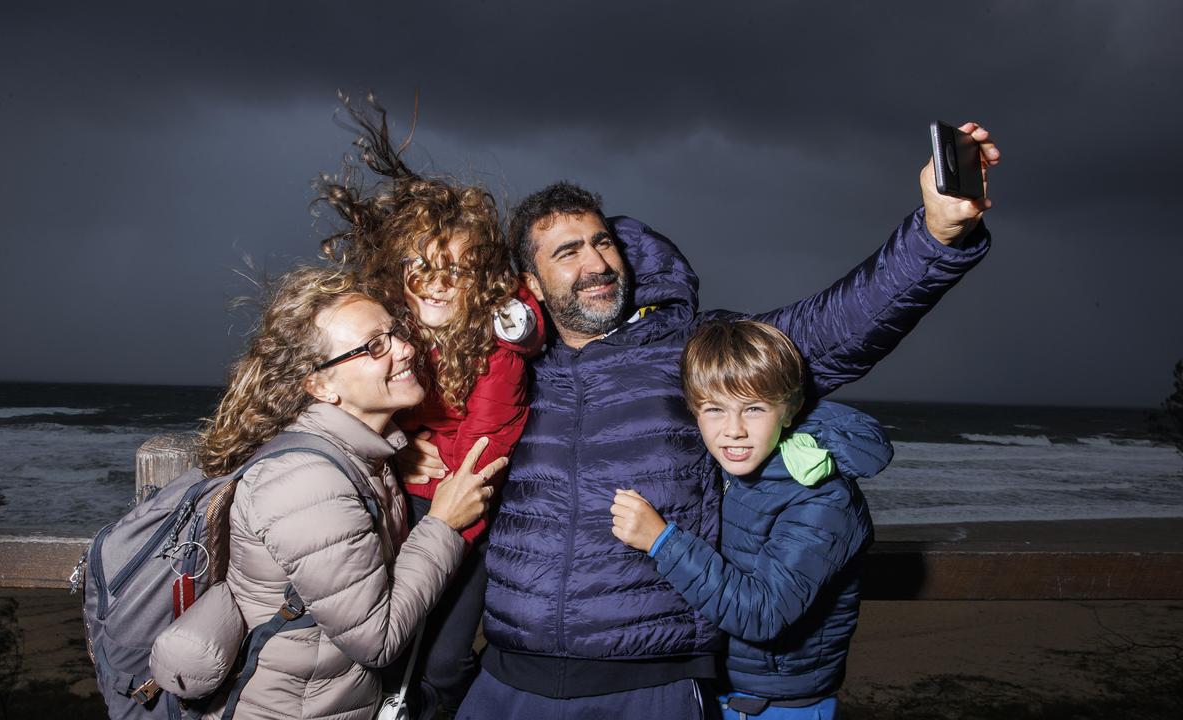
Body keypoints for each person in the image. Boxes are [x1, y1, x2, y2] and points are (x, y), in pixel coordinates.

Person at [448, 125, 1002, 718]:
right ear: (531, 283)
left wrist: (935, 236)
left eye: (601, 242)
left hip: (651, 683)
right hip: (509, 679)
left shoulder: (691, 348)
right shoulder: (504, 373)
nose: (595, 262)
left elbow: (837, 328)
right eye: (568, 251)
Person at [182, 266, 507, 719]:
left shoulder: (363, 457)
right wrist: (443, 525)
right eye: (375, 346)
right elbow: (378, 638)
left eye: (395, 332)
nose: (406, 349)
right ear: (320, 386)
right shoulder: (306, 482)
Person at [313, 99, 544, 718]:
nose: (437, 284)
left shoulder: (499, 346)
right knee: (367, 649)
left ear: (483, 279)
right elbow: (334, 405)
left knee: (441, 662)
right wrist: (399, 452)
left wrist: (440, 518)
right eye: (421, 266)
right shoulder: (385, 329)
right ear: (397, 270)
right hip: (397, 494)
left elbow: (481, 456)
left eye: (457, 270)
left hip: (468, 507)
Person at [611, 320, 890, 719]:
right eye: (714, 410)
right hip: (717, 691)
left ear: (790, 408)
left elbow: (764, 614)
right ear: (694, 411)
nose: (734, 431)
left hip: (780, 707)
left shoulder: (823, 498)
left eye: (754, 409)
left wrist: (661, 541)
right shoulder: (725, 469)